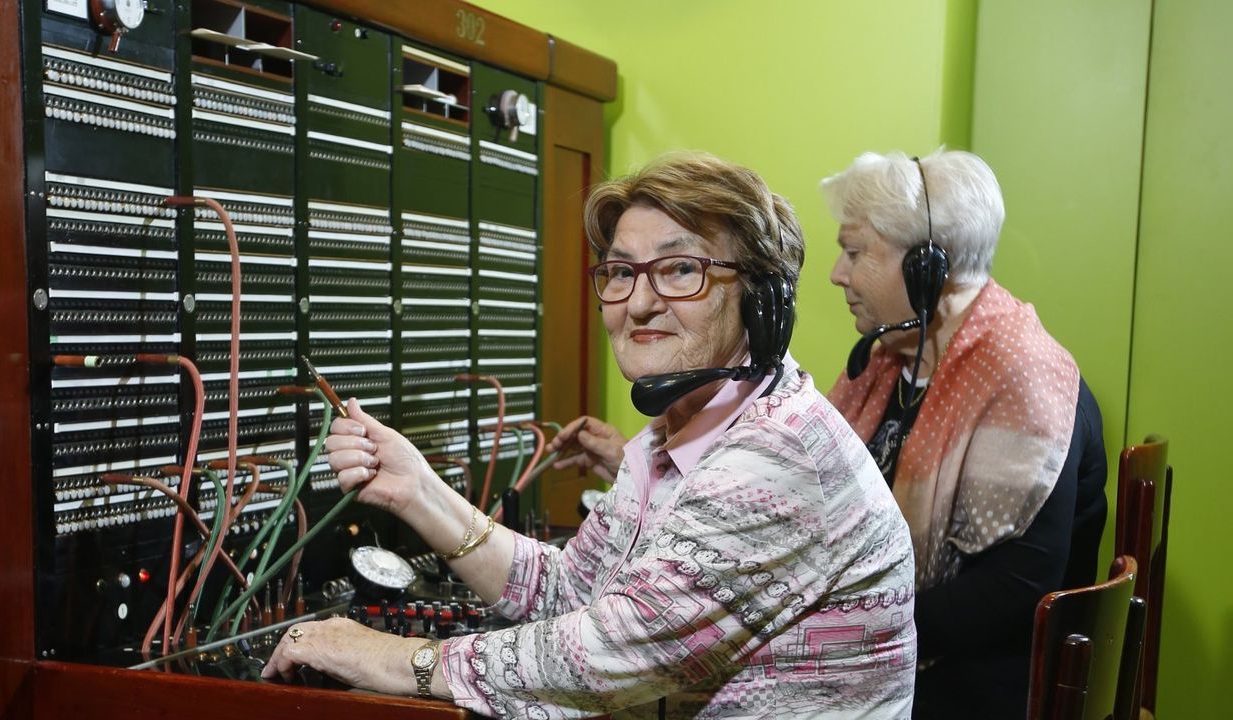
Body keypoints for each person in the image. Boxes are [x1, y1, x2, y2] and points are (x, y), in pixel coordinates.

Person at [265, 152, 918, 718]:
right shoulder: (677, 436)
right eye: (620, 272)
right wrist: (419, 494)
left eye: (679, 270)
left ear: (762, 300)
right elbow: (570, 592)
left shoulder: (779, 456)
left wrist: (387, 657)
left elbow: (608, 652)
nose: (637, 304)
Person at [821, 149, 1107, 718]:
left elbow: (1013, 591)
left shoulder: (1022, 376)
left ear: (928, 268)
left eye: (855, 253)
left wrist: (841, 635)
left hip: (972, 687)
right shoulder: (892, 363)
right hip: (909, 658)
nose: (838, 274)